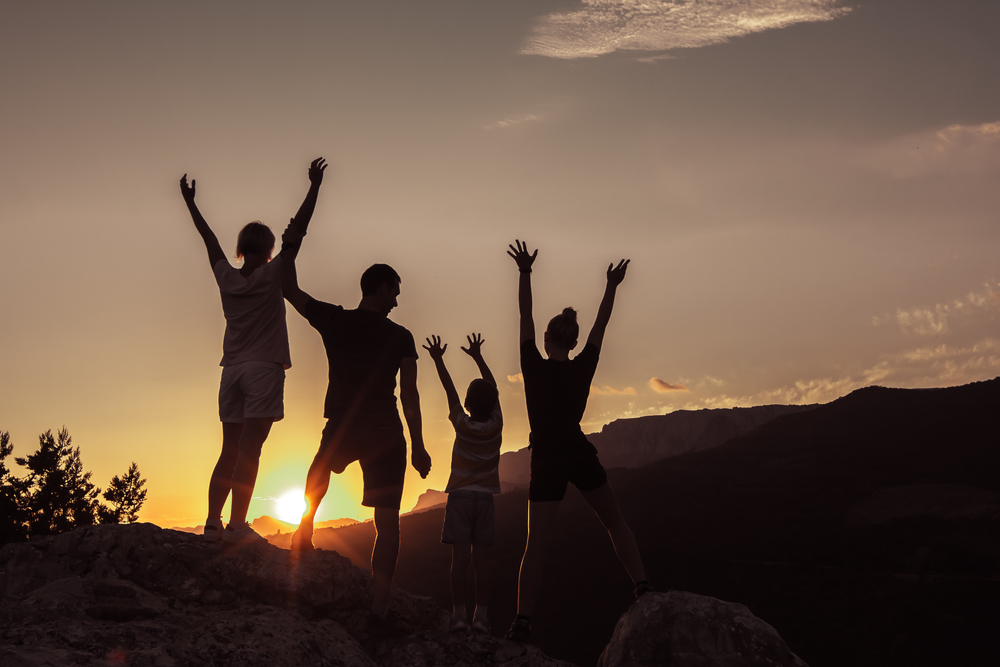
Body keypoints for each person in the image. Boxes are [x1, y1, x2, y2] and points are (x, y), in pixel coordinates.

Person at [280, 217, 432, 636]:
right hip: (385, 433)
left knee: (321, 467)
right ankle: (379, 612)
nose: (397, 302)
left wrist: (290, 244)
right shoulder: (401, 336)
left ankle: (304, 530)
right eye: (395, 293)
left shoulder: (337, 321)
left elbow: (289, 289)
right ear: (380, 288)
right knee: (388, 526)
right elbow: (412, 396)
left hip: (345, 425)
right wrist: (418, 445)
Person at [504, 239, 651, 643]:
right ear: (571, 341)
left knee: (536, 546)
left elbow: (524, 314)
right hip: (578, 451)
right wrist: (612, 286)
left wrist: (525, 271)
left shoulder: (531, 364)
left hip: (548, 458)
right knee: (613, 521)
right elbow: (601, 325)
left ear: (549, 337)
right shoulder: (584, 365)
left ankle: (522, 621)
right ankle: (642, 586)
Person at [179, 158, 327, 546]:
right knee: (251, 451)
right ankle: (237, 525)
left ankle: (212, 522)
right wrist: (314, 186)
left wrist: (191, 204)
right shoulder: (273, 273)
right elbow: (299, 232)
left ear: (241, 249)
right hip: (263, 370)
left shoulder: (226, 277)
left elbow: (209, 241)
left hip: (231, 372)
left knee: (230, 448)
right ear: (269, 249)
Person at [423, 333, 502, 635]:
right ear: (493, 403)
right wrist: (479, 357)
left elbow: (449, 391)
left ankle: (459, 616)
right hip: (485, 501)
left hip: (459, 499)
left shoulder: (461, 423)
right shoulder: (497, 425)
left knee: (460, 561)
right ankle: (481, 618)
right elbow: (492, 388)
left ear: (467, 404)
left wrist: (438, 359)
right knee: (483, 562)